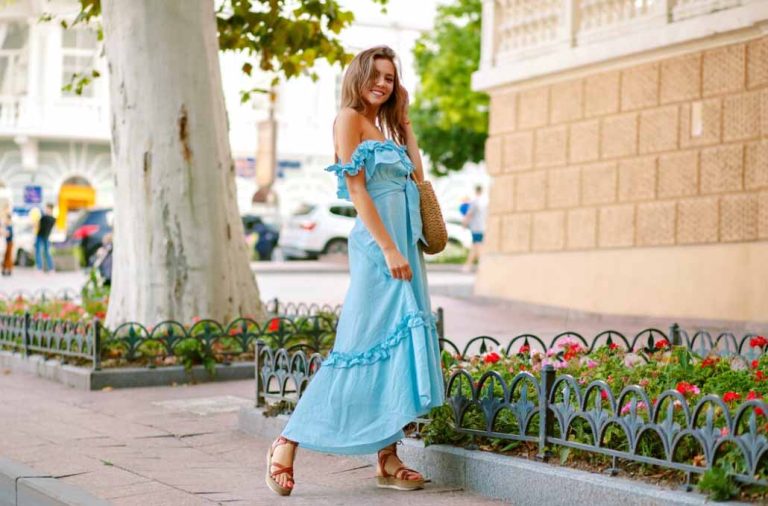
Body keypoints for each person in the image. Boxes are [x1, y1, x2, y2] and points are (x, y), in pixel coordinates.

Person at [264, 45, 445, 497]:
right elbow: (358, 192)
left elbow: (417, 181)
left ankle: (387, 456)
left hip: (405, 249)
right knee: (358, 346)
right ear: (360, 76)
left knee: (394, 348)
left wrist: (405, 125)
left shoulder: (386, 128)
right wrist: (388, 249)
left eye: (391, 77)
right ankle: (287, 441)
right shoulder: (348, 119)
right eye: (377, 75)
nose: (383, 84)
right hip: (380, 251)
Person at [461, 185, 486, 273]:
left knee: (477, 246)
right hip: (482, 227)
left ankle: (480, 265)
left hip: (476, 228)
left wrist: (464, 224)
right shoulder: (485, 201)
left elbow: (469, 214)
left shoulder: (475, 202)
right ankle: (468, 265)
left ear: (475, 191)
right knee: (475, 246)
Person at [35, 203, 56, 273]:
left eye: (47, 208)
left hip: (43, 236)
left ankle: (43, 268)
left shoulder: (45, 218)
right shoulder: (52, 219)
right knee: (44, 252)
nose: (46, 210)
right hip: (44, 236)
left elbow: (38, 225)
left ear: (50, 209)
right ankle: (47, 268)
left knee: (43, 252)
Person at [2, 211, 12, 276]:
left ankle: (8, 269)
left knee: (8, 256)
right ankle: (5, 269)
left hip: (9, 242)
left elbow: (8, 234)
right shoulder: (7, 226)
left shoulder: (9, 226)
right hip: (7, 242)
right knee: (6, 256)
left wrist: (3, 233)